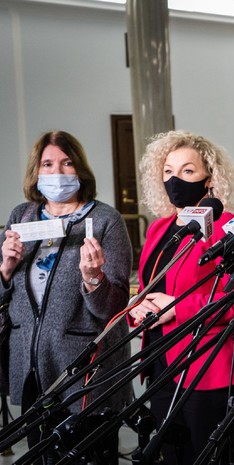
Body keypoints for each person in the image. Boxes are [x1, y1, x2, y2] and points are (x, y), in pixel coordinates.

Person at [0, 130, 132, 463]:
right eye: (47, 164)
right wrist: (6, 269)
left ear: (80, 169)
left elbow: (116, 307)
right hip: (32, 367)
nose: (56, 172)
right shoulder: (21, 216)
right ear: (36, 171)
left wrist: (93, 278)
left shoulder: (105, 220)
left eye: (67, 163)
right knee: (40, 455)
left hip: (85, 372)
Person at [127, 130, 234, 465]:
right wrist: (139, 308)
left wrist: (177, 309)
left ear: (209, 178)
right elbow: (150, 288)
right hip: (161, 363)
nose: (175, 180)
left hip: (208, 366)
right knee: (172, 455)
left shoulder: (228, 226)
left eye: (187, 171)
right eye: (168, 171)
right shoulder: (159, 228)